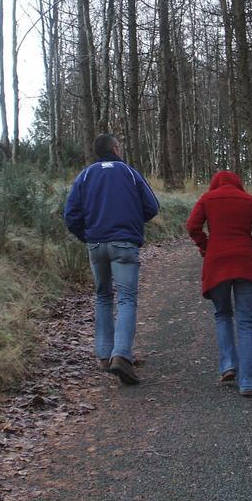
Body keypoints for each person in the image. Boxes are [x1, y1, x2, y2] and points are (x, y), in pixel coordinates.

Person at [64, 134, 160, 385]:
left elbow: (70, 214)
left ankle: (104, 355)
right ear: (116, 149)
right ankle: (122, 356)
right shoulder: (129, 173)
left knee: (103, 296)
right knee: (127, 298)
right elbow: (152, 207)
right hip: (124, 243)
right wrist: (131, 220)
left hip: (95, 245)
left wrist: (87, 235)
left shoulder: (85, 175)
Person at [186, 171, 252, 397]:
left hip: (217, 264)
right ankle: (248, 382)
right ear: (238, 183)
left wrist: (206, 245)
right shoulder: (249, 201)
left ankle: (227, 365)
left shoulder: (207, 199)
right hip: (245, 264)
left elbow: (192, 226)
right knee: (245, 322)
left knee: (222, 314)